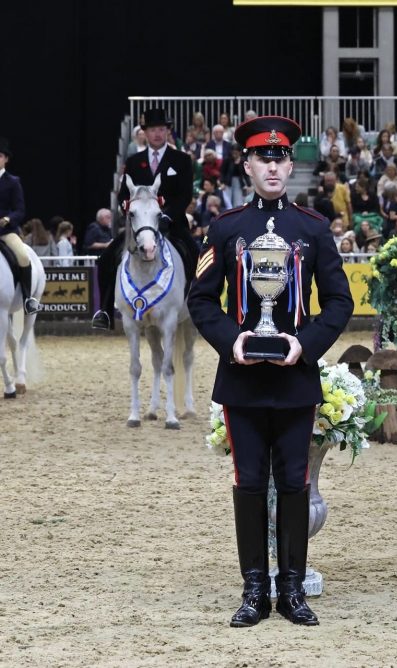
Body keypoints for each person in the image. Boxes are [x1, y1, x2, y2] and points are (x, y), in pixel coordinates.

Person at [187, 115, 354, 628]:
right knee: (250, 483)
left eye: (281, 157)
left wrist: (303, 346)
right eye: (264, 157)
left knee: (296, 483)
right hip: (241, 379)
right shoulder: (226, 228)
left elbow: (340, 302)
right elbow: (200, 298)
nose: (274, 166)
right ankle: (255, 589)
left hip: (294, 378)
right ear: (248, 163)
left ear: (291, 165)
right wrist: (230, 339)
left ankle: (292, 589)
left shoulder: (313, 228)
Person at [94, 108, 196, 330]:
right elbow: (124, 192)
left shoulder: (181, 160)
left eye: (161, 129)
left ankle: (198, 307)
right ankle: (105, 311)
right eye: (153, 130)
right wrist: (124, 204)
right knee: (106, 259)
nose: (158, 134)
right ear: (145, 133)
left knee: (196, 257)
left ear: (168, 132)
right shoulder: (134, 161)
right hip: (141, 228)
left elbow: (185, 195)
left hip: (172, 225)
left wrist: (167, 215)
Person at [0, 137, 39, 313]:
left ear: (6, 159)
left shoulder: (13, 181)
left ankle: (27, 299)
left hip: (5, 232)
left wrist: (8, 219)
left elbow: (20, 210)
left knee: (23, 256)